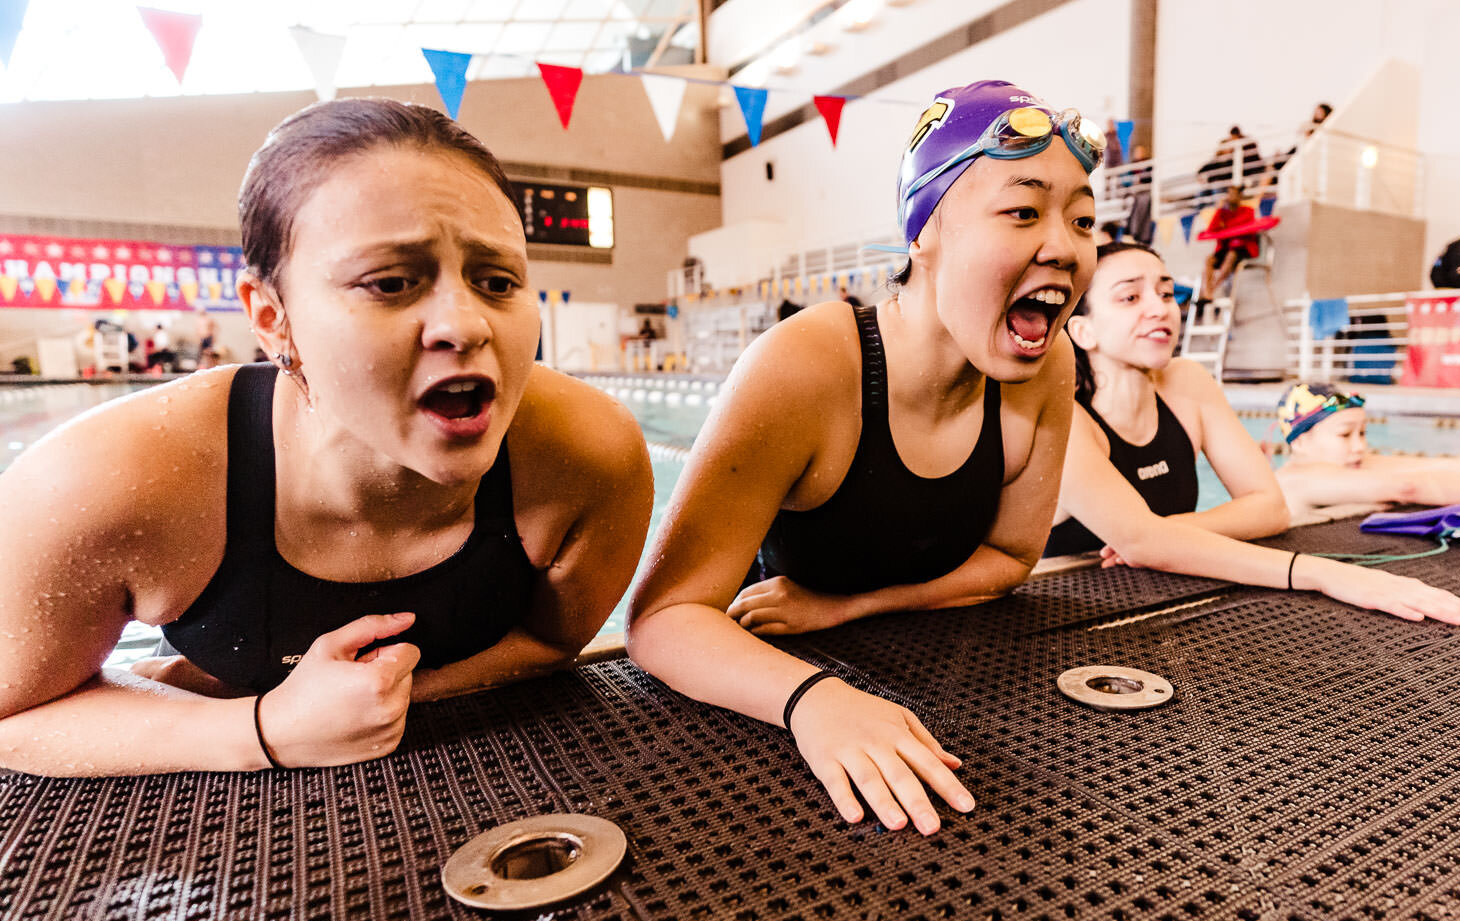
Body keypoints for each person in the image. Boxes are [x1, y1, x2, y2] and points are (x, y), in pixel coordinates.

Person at [0, 98, 653, 777]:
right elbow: (13, 714)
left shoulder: (588, 457)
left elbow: (550, 643)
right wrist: (261, 727)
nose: (466, 326)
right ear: (271, 317)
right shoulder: (103, 482)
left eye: (497, 281)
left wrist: (358, 707)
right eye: (391, 282)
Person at [628, 80, 1105, 835]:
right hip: (765, 699)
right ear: (924, 229)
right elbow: (662, 619)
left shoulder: (1045, 367)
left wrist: (845, 605)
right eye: (1023, 210)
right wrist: (815, 700)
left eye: (1083, 219)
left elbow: (1012, 559)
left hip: (955, 684)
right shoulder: (808, 366)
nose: (1066, 246)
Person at [1044, 243, 1460, 627]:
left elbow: (1269, 507)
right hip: (1055, 611)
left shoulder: (1187, 383)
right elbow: (1143, 542)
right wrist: (1328, 574)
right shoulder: (1063, 417)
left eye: (1165, 292)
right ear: (1083, 331)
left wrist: (1173, 533)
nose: (1159, 308)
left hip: (1173, 598)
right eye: (1130, 297)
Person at [1274, 382, 1460, 520]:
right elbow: (1408, 488)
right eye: (1345, 435)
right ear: (1300, 442)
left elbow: (1442, 466)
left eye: (1362, 433)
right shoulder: (1297, 478)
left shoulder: (1343, 462)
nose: (1360, 447)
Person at [1200, 185, 1258, 300]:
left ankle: (1211, 290)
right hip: (1225, 249)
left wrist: (1226, 225)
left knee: (1231, 256)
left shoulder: (1248, 211)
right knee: (1209, 260)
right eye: (1229, 194)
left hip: (1242, 248)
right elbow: (1211, 228)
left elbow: (1242, 227)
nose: (1230, 197)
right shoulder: (1222, 212)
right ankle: (1207, 291)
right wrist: (1220, 209)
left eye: (1233, 194)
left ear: (1240, 196)